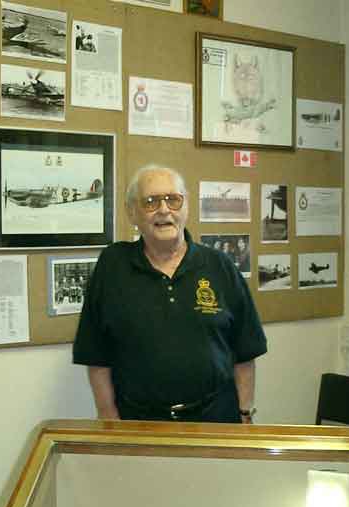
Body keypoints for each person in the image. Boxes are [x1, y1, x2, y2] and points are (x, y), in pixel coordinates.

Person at [73, 164, 267, 423]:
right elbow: (96, 352)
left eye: (173, 200)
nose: (164, 210)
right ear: (132, 212)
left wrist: (245, 413)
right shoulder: (113, 266)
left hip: (215, 419)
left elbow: (245, 351)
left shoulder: (220, 266)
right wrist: (108, 415)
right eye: (151, 201)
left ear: (186, 207)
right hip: (139, 423)